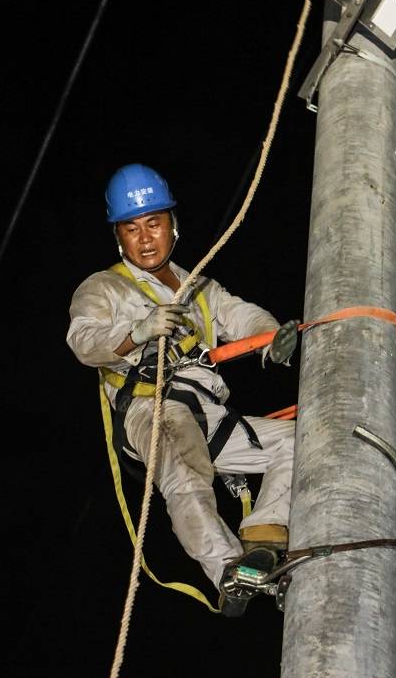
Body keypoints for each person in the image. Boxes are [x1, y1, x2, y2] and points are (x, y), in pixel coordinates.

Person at [66, 163, 298, 614]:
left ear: (173, 225)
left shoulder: (200, 287)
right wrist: (138, 331)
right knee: (188, 479)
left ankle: (264, 537)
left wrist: (272, 339)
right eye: (132, 229)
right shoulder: (104, 287)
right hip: (152, 407)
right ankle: (229, 570)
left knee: (297, 442)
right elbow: (83, 340)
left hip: (208, 412)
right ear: (119, 236)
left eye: (154, 224)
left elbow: (242, 315)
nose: (146, 237)